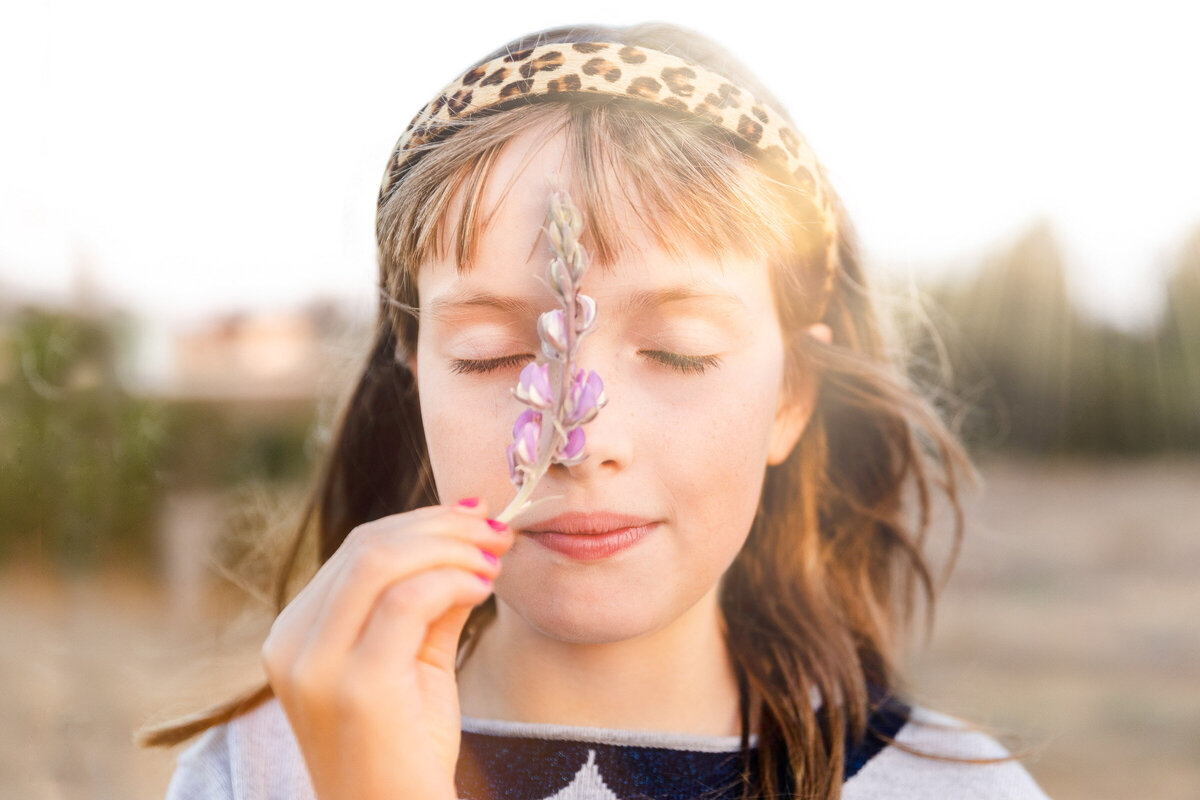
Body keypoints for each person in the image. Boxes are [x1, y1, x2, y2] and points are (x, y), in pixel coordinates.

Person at [148, 22, 1050, 800]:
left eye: (681, 351)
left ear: (790, 395)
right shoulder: (263, 768)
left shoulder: (954, 785)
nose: (580, 444)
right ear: (414, 375)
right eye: (491, 355)